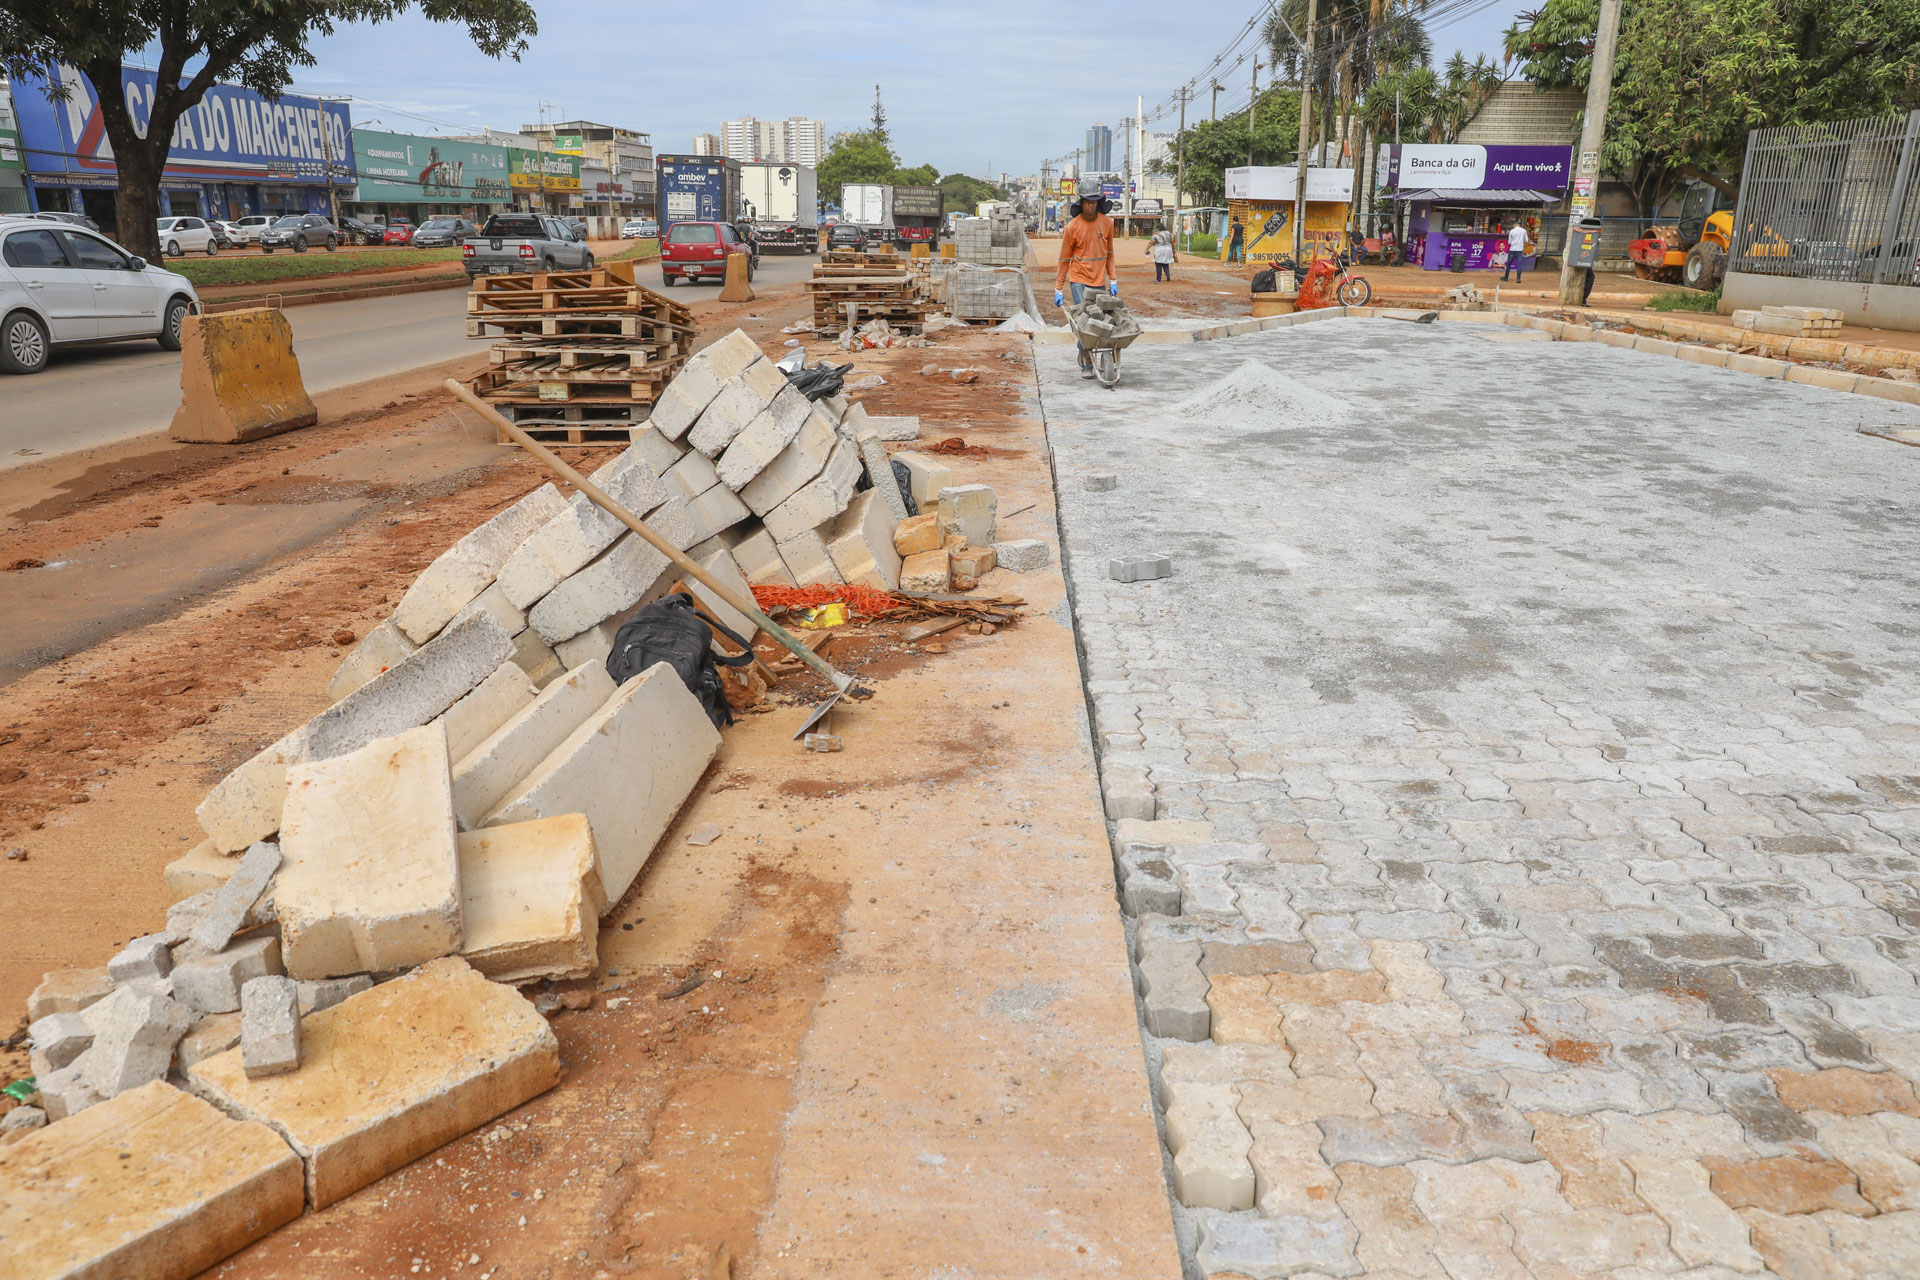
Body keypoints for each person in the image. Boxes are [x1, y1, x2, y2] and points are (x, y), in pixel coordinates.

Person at [1053, 184, 1119, 378]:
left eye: (1094, 202)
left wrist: (1113, 279)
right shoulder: (1072, 228)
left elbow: (1110, 254)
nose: (1090, 206)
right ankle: (1085, 362)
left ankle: (1098, 354)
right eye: (1087, 202)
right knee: (1084, 321)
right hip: (1079, 280)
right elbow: (1064, 259)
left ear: (1099, 203)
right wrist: (1058, 288)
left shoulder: (1107, 223)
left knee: (1099, 319)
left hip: (1099, 280)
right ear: (1081, 203)